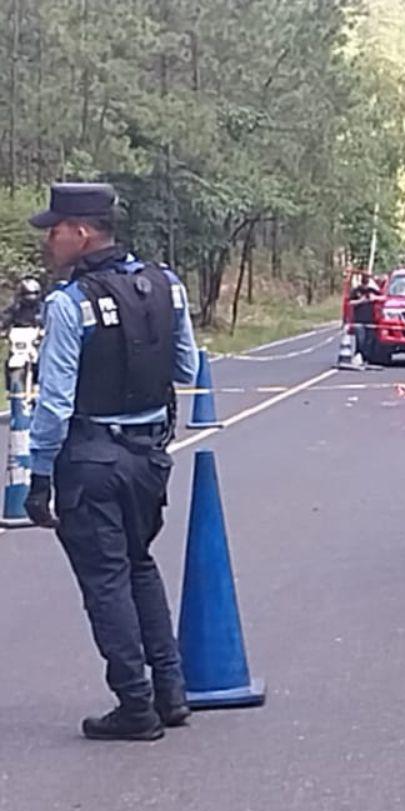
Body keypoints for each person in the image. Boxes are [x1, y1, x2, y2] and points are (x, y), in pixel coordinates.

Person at [24, 182, 200, 740]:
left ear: (82, 232)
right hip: (149, 454)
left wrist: (39, 475)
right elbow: (187, 367)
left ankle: (135, 704)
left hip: (90, 457)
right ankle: (171, 692)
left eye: (54, 231)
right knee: (139, 564)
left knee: (105, 580)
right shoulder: (165, 286)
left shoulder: (69, 303)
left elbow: (53, 403)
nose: (49, 241)